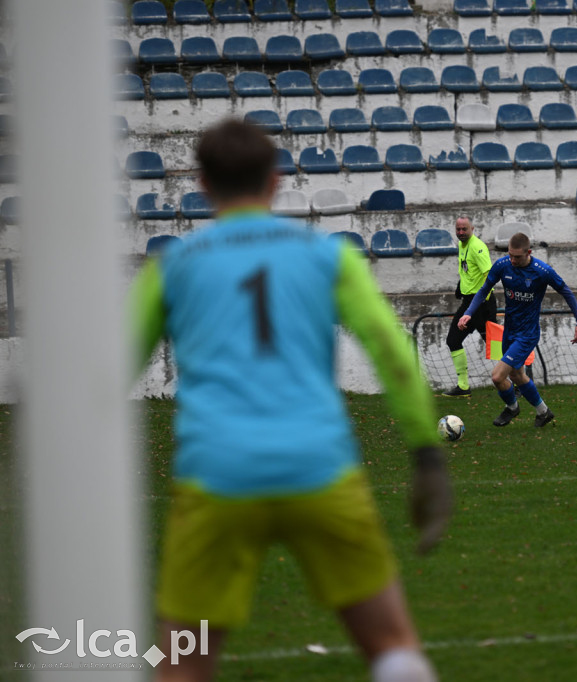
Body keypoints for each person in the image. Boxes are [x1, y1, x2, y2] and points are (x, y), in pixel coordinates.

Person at [127, 119, 452, 682]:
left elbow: (107, 372)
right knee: (393, 645)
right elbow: (392, 353)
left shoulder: (173, 266)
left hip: (216, 475)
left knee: (180, 665)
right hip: (318, 468)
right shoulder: (326, 256)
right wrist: (425, 452)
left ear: (202, 184)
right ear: (275, 181)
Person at [458, 232, 577, 428]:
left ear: (528, 252)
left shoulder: (542, 271)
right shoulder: (502, 265)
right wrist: (468, 313)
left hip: (527, 334)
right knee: (517, 376)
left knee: (497, 376)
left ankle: (512, 407)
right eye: (510, 255)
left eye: (517, 256)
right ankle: (543, 412)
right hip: (509, 331)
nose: (513, 260)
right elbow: (484, 289)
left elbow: (566, 291)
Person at [442, 215, 496, 397]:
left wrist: (481, 302)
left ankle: (518, 382)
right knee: (453, 340)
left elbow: (490, 275)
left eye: (464, 229)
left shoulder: (477, 247)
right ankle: (463, 386)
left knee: (496, 347)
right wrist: (461, 286)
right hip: (468, 303)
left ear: (472, 228)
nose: (461, 232)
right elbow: (468, 271)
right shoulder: (461, 245)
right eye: (458, 229)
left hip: (482, 303)